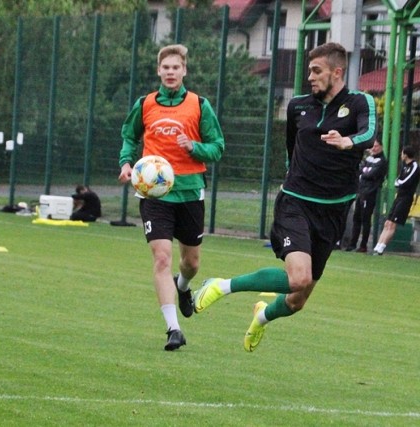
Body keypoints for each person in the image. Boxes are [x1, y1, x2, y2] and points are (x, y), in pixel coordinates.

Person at [192, 42, 376, 352]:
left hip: (333, 211)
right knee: (298, 279)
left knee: (297, 300)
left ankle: (261, 316)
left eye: (317, 71)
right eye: (309, 71)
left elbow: (369, 135)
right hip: (295, 202)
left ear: (337, 72)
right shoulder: (298, 106)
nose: (310, 77)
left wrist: (348, 142)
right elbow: (292, 149)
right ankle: (221, 286)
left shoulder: (360, 102)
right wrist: (294, 179)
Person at [118, 44, 225, 351]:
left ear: (184, 71)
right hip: (154, 195)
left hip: (190, 192)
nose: (170, 72)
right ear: (158, 71)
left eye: (175, 67)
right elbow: (129, 136)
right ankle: (173, 328)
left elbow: (217, 146)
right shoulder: (145, 104)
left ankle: (184, 286)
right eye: (165, 67)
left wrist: (194, 147)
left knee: (191, 262)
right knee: (162, 257)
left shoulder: (199, 105)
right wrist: (126, 163)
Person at [373, 146, 419, 255]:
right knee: (387, 223)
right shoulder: (404, 167)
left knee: (393, 224)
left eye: (402, 153)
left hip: (406, 199)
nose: (401, 155)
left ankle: (381, 248)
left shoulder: (414, 166)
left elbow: (406, 181)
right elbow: (398, 179)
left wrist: (399, 183)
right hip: (399, 197)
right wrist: (398, 183)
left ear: (406, 154)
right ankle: (377, 246)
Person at [345, 139, 387, 252]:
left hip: (370, 193)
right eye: (373, 146)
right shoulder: (368, 158)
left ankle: (363, 245)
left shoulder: (382, 161)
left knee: (366, 219)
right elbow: (360, 170)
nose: (374, 148)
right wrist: (364, 173)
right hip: (361, 191)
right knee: (356, 218)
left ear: (381, 147)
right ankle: (352, 244)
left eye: (376, 146)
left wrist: (364, 173)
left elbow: (370, 174)